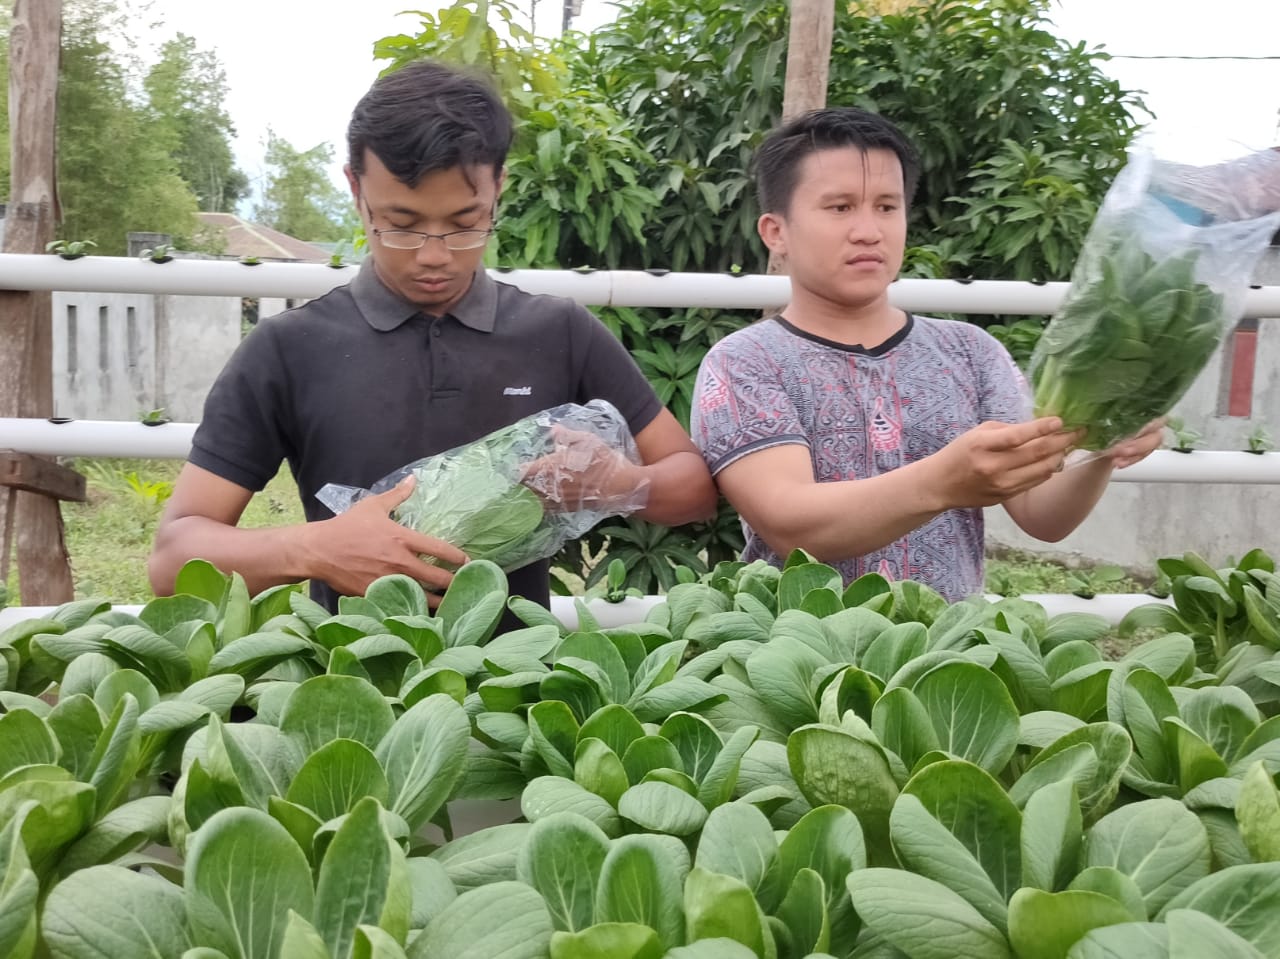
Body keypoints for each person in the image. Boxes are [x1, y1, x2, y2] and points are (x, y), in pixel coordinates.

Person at [149, 60, 717, 612]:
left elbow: (692, 489)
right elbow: (174, 560)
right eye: (401, 225)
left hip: (519, 687)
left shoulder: (561, 331)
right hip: (351, 685)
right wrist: (314, 548)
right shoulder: (288, 349)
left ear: (499, 185)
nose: (435, 256)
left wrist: (618, 483)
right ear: (355, 188)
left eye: (467, 225)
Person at [690, 107, 1163, 602]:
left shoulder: (971, 352)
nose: (869, 230)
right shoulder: (744, 362)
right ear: (775, 232)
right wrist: (941, 481)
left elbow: (1042, 515)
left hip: (947, 657)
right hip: (804, 663)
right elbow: (791, 526)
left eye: (888, 207)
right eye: (840, 208)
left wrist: (1103, 450)